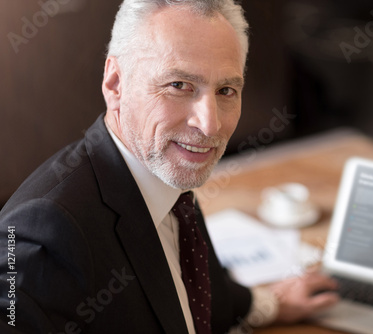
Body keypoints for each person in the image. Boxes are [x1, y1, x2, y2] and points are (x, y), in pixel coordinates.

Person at [0, 0, 338, 333]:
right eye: (178, 85)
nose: (209, 124)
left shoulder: (166, 183)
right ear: (116, 83)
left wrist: (268, 304)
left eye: (225, 90)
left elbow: (191, 291)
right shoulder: (45, 229)